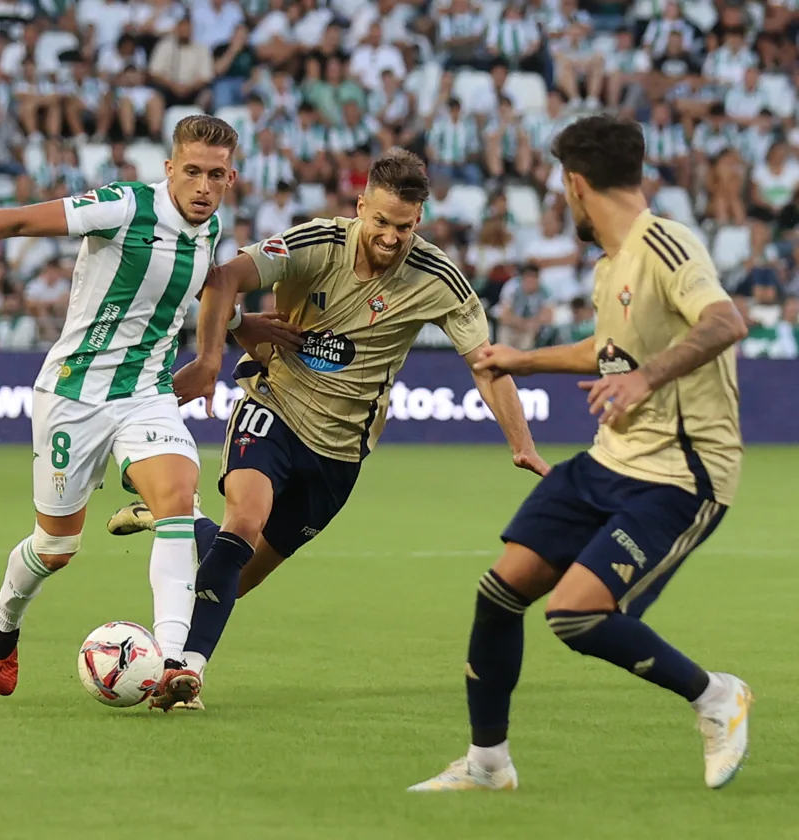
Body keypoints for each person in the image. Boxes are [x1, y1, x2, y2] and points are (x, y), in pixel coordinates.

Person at [0, 116, 296, 711]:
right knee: (56, 547)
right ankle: (5, 613)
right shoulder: (122, 207)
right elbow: (19, 219)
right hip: (73, 393)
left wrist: (233, 332)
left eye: (216, 175)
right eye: (192, 171)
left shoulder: (210, 227)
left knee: (178, 495)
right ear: (169, 168)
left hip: (146, 391)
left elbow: (190, 290)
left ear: (232, 177)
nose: (203, 186)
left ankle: (174, 665)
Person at [108, 149, 549, 708]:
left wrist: (521, 443)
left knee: (237, 577)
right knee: (243, 522)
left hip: (339, 454)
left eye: (405, 227)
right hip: (274, 404)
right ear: (361, 206)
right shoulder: (314, 243)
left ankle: (175, 519)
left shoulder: (439, 279)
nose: (391, 237)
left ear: (422, 221)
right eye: (381, 222)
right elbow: (221, 278)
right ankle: (184, 670)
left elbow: (486, 363)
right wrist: (222, 346)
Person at [409, 115, 751, 793]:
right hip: (608, 461)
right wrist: (525, 360)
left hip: (679, 476)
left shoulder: (666, 245)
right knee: (499, 593)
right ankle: (487, 765)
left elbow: (724, 321)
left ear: (574, 183)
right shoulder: (611, 266)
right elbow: (609, 351)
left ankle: (716, 696)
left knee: (576, 613)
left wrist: (645, 378)